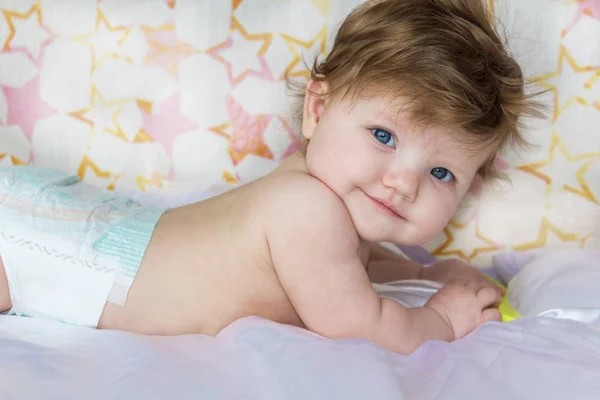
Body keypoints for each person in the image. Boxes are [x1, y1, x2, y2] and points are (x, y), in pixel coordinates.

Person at [0, 0, 539, 355]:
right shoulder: (306, 211)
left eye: (441, 172)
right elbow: (361, 326)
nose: (402, 182)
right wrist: (442, 320)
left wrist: (435, 270)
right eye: (383, 136)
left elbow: (348, 263)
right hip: (61, 254)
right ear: (318, 110)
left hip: (97, 231)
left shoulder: (317, 195)